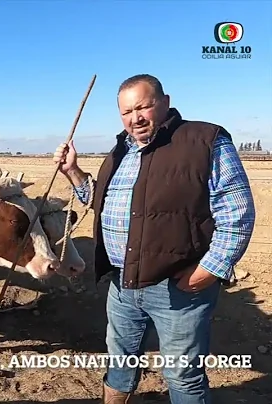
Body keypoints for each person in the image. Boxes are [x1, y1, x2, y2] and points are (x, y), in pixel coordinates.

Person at [53, 74, 255, 403]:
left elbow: (238, 213)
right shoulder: (121, 151)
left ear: (165, 102)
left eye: (144, 106)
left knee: (182, 373)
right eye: (127, 111)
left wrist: (210, 269)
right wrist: (73, 172)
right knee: (119, 363)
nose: (136, 117)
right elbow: (101, 201)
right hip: (122, 284)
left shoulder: (204, 140)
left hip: (178, 287)